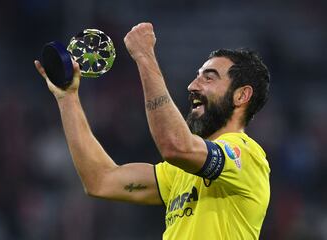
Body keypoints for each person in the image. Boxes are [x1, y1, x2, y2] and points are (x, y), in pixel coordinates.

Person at [34, 22, 270, 240]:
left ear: (241, 96)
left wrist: (144, 56)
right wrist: (67, 98)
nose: (192, 86)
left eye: (208, 78)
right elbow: (101, 180)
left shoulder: (246, 156)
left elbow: (175, 145)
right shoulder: (178, 173)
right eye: (196, 77)